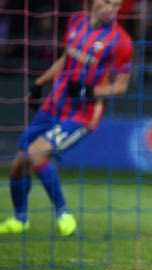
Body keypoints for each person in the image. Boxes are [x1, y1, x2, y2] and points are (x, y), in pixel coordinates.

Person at [0, 0, 133, 236]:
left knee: (36, 153)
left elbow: (122, 86)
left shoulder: (121, 41)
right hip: (54, 104)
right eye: (106, 2)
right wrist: (39, 83)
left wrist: (88, 91)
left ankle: (63, 213)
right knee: (19, 162)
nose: (109, 9)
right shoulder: (76, 21)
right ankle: (20, 219)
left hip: (82, 114)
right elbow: (66, 59)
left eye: (115, 5)